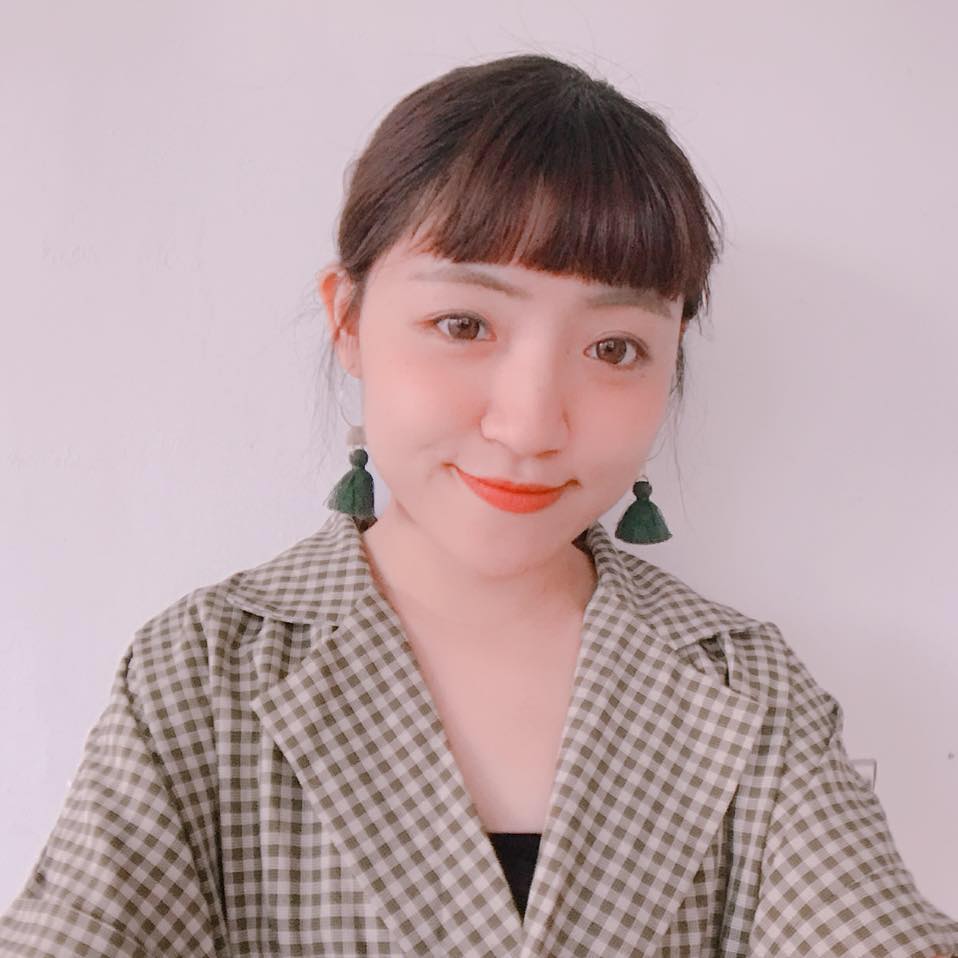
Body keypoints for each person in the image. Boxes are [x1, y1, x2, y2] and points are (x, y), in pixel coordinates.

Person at [1, 54, 955, 958]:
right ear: (349, 322)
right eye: (464, 324)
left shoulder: (744, 685)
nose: (531, 424)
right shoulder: (206, 671)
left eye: (615, 348)